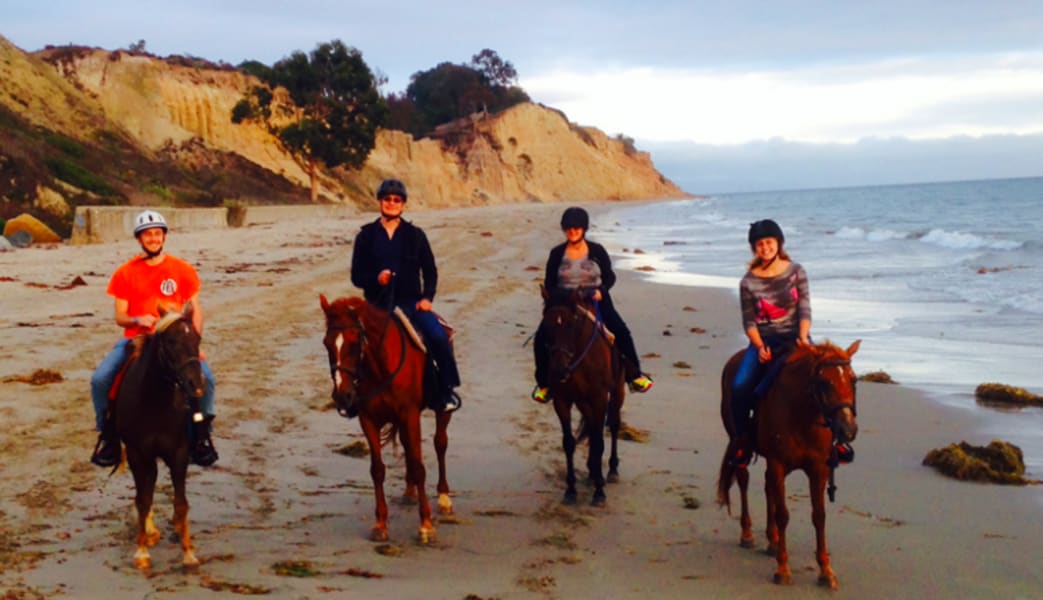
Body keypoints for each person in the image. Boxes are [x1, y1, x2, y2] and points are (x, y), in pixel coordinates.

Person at [89, 209, 219, 467]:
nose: (153, 238)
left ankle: (201, 436)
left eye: (157, 234)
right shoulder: (125, 273)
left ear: (164, 236)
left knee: (208, 381)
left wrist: (193, 343)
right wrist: (138, 320)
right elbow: (120, 316)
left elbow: (195, 311)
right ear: (139, 239)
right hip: (137, 339)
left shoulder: (182, 270)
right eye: (147, 234)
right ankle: (109, 436)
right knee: (100, 379)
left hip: (176, 343)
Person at [350, 178, 461, 413]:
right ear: (380, 201)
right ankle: (352, 397)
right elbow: (356, 276)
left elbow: (430, 270)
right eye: (387, 199)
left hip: (410, 304)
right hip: (376, 306)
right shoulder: (366, 236)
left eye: (396, 200)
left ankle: (446, 389)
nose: (391, 203)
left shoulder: (416, 235)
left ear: (403, 205)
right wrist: (376, 279)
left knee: (438, 336)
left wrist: (427, 298)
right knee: (350, 344)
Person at [531, 206, 653, 403]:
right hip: (566, 304)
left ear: (584, 229)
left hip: (595, 299)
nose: (572, 231)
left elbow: (610, 277)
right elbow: (550, 284)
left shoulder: (596, 251)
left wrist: (600, 291)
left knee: (621, 331)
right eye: (569, 228)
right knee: (540, 339)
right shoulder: (556, 254)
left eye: (577, 228)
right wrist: (564, 296)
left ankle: (635, 375)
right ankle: (544, 384)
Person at [728, 219, 811, 468]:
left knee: (825, 378)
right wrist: (760, 346)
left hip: (797, 336)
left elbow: (805, 310)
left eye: (769, 242)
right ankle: (742, 440)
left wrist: (804, 339)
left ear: (779, 243)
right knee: (739, 386)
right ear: (754, 248)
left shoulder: (796, 271)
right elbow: (749, 322)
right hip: (763, 340)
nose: (765, 248)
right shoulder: (748, 282)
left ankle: (836, 440)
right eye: (760, 244)